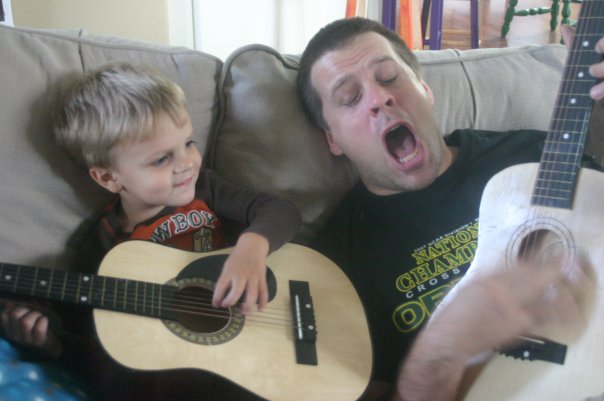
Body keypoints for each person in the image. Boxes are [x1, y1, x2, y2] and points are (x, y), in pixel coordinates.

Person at [297, 17, 604, 401]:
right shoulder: (335, 267)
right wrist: (440, 350)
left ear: (425, 90)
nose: (379, 98)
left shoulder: (539, 155)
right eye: (349, 98)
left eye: (389, 77)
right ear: (333, 139)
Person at [1, 62, 300, 400]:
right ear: (109, 178)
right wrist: (52, 344)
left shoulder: (205, 188)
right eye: (161, 159)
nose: (187, 163)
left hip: (262, 325)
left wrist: (251, 248)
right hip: (200, 371)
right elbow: (99, 343)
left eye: (188, 142)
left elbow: (281, 211)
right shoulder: (103, 245)